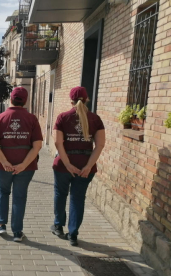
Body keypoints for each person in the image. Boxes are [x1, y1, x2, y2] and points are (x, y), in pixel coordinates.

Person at [51, 86, 105, 246]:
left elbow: (58, 143)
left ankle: (58, 226)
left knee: (60, 194)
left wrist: (67, 164)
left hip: (63, 165)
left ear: (71, 101)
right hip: (85, 164)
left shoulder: (63, 117)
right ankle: (73, 234)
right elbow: (100, 145)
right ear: (87, 99)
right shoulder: (95, 119)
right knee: (77, 198)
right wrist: (89, 166)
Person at [0, 87, 43, 242]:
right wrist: (24, 165)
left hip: (3, 166)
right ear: (25, 101)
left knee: (3, 192)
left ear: (10, 99)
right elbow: (37, 145)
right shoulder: (32, 119)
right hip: (26, 166)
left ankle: (1, 225)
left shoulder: (1, 117)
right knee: (19, 196)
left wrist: (5, 162)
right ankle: (17, 233)